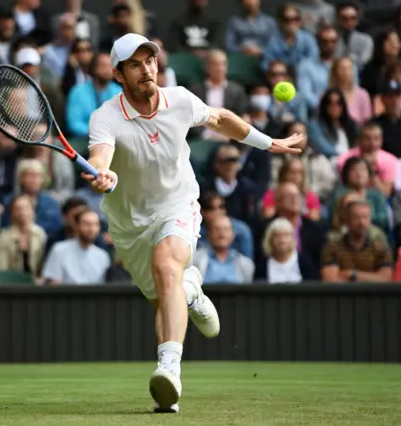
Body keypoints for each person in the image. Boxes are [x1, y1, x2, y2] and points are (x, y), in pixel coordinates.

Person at [82, 33, 302, 412]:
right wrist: (103, 173)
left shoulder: (180, 99)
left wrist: (269, 143)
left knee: (166, 266)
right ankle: (192, 292)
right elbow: (101, 155)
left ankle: (169, 371)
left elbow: (220, 119)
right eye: (134, 64)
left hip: (177, 204)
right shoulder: (105, 116)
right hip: (129, 223)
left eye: (149, 60)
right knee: (164, 301)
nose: (146, 69)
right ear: (119, 74)